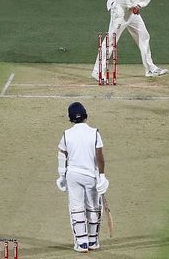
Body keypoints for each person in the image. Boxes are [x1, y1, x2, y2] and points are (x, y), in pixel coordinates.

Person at [92, 0, 168, 80]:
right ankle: (98, 72)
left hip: (132, 12)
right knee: (111, 40)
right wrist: (134, 5)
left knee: (144, 35)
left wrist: (139, 6)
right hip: (120, 9)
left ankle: (150, 69)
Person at [56, 102, 110, 253]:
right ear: (85, 116)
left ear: (71, 118)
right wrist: (102, 176)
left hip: (73, 175)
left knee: (76, 208)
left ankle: (82, 243)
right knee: (93, 207)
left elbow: (62, 153)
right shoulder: (94, 133)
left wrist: (61, 175)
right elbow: (100, 156)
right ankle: (93, 241)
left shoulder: (66, 134)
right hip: (90, 175)